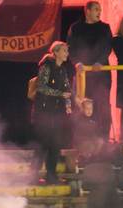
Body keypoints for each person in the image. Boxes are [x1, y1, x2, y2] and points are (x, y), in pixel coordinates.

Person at [68, 1, 114, 141]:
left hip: (101, 74)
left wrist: (100, 61)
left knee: (102, 104)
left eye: (100, 9)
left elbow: (107, 47)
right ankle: (83, 139)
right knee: (82, 104)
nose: (99, 12)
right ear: (87, 11)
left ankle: (103, 139)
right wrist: (77, 62)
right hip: (83, 73)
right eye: (96, 9)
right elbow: (71, 48)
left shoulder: (104, 28)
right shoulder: (76, 28)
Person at [32, 41, 73, 184]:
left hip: (57, 113)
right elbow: (41, 87)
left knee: (55, 144)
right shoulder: (47, 66)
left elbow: (67, 90)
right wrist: (60, 94)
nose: (67, 54)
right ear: (56, 52)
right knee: (43, 143)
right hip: (44, 112)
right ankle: (33, 176)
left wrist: (68, 105)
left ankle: (51, 175)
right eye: (64, 51)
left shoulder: (63, 70)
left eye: (67, 51)